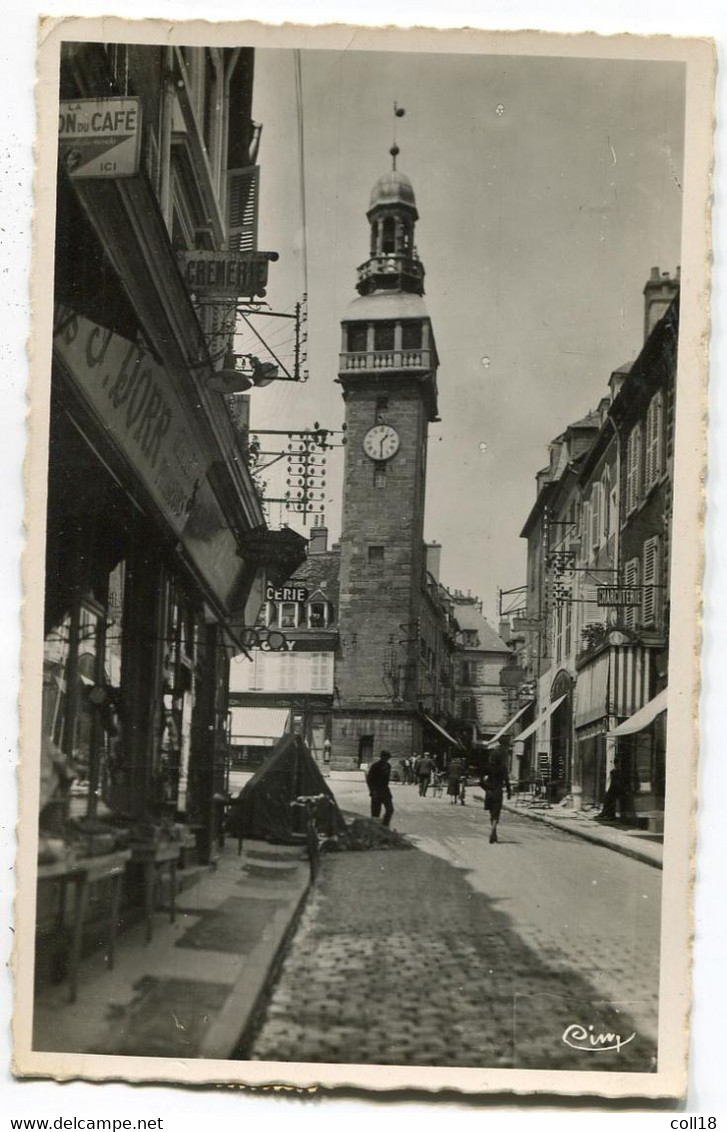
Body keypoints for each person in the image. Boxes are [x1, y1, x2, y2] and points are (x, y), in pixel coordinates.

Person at [480, 753, 511, 843]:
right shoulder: (502, 768)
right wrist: (509, 792)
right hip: (498, 792)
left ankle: (494, 832)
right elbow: (507, 781)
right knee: (496, 813)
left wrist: (485, 788)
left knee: (491, 812)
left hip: (489, 792)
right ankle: (493, 830)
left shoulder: (488, 767)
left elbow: (481, 781)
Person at [366, 749, 394, 827]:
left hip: (385, 791)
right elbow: (369, 779)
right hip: (376, 791)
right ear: (382, 757)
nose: (386, 759)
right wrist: (372, 790)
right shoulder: (375, 766)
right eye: (385, 757)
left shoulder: (388, 766)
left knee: (390, 809)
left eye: (388, 757)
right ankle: (375, 830)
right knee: (375, 814)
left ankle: (384, 826)